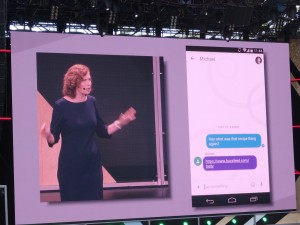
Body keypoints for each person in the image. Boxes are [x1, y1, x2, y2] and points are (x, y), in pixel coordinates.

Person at [40, 64, 136, 201]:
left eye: (89, 79)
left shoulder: (92, 101)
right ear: (74, 83)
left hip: (92, 167)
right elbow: (53, 138)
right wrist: (48, 135)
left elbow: (102, 130)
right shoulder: (61, 106)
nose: (89, 83)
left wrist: (120, 123)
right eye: (84, 80)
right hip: (70, 168)